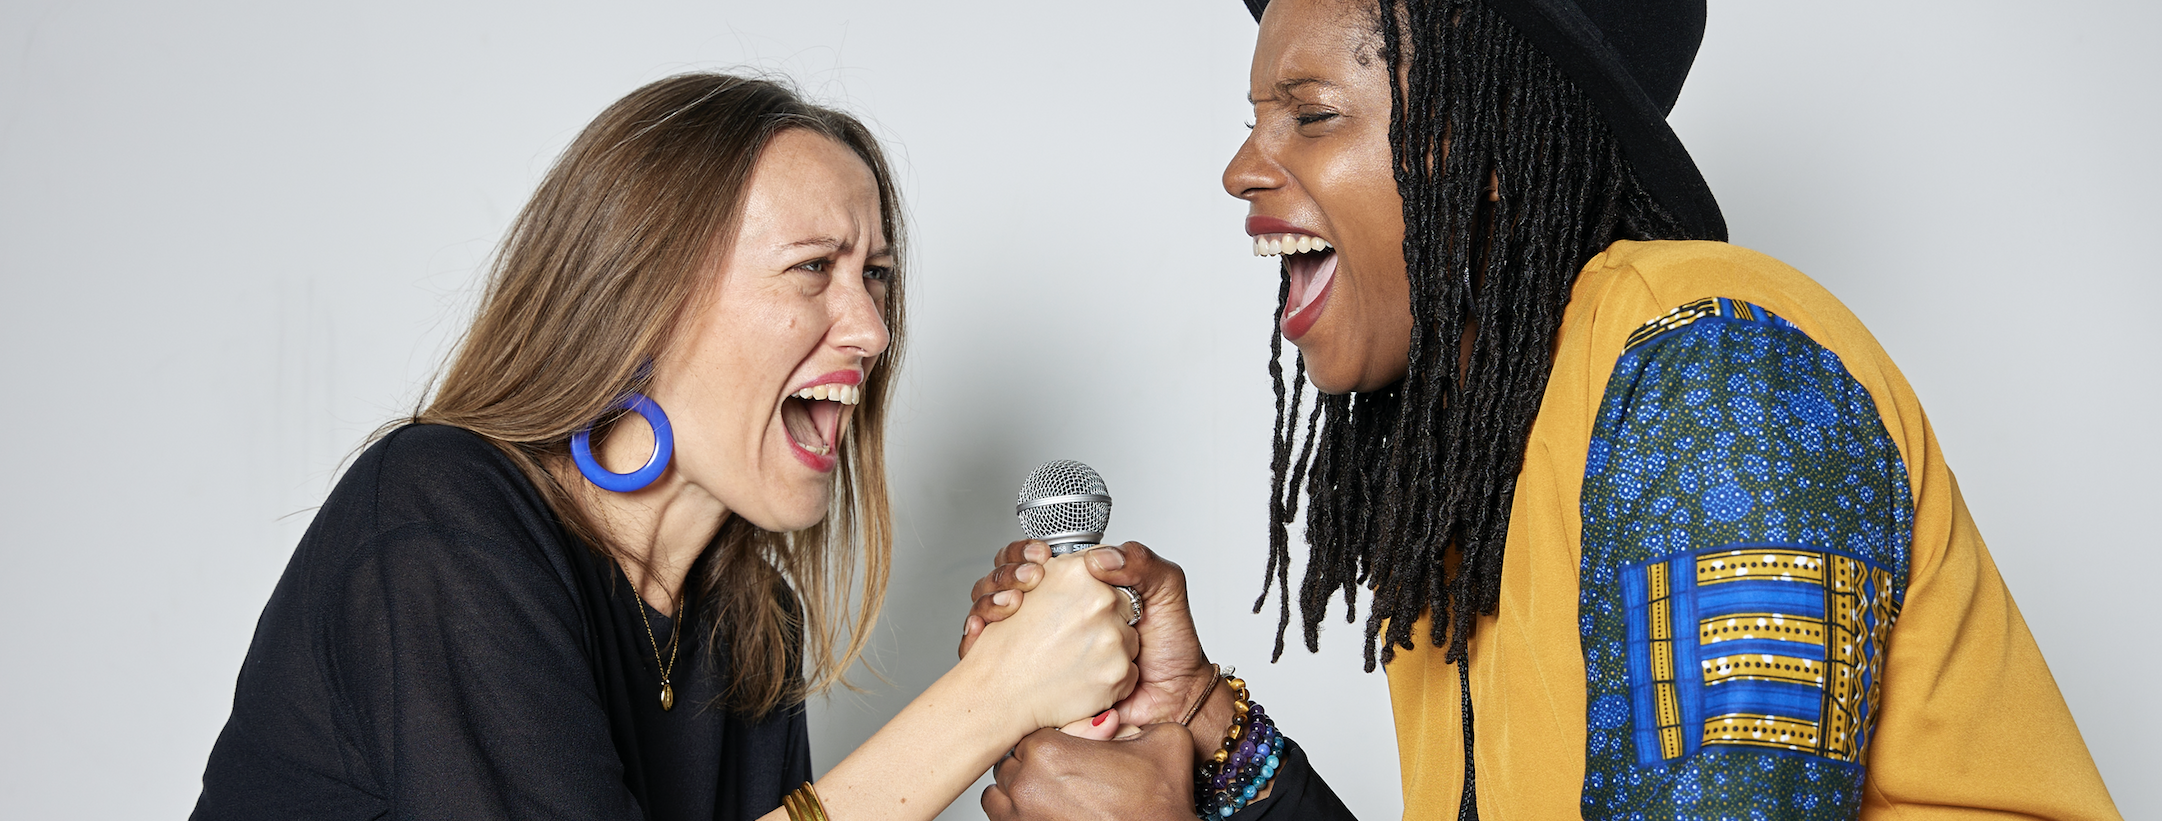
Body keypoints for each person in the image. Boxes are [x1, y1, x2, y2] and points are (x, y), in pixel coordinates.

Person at [960, 1, 2123, 819]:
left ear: (1487, 148)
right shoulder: (1478, 456)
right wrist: (1210, 728)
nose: (1239, 167)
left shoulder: (1711, 380)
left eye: (1309, 114)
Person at [192, 72, 1143, 821]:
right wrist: (988, 701)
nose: (871, 329)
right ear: (642, 298)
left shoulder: (747, 618)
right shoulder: (437, 515)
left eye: (877, 277)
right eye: (813, 268)